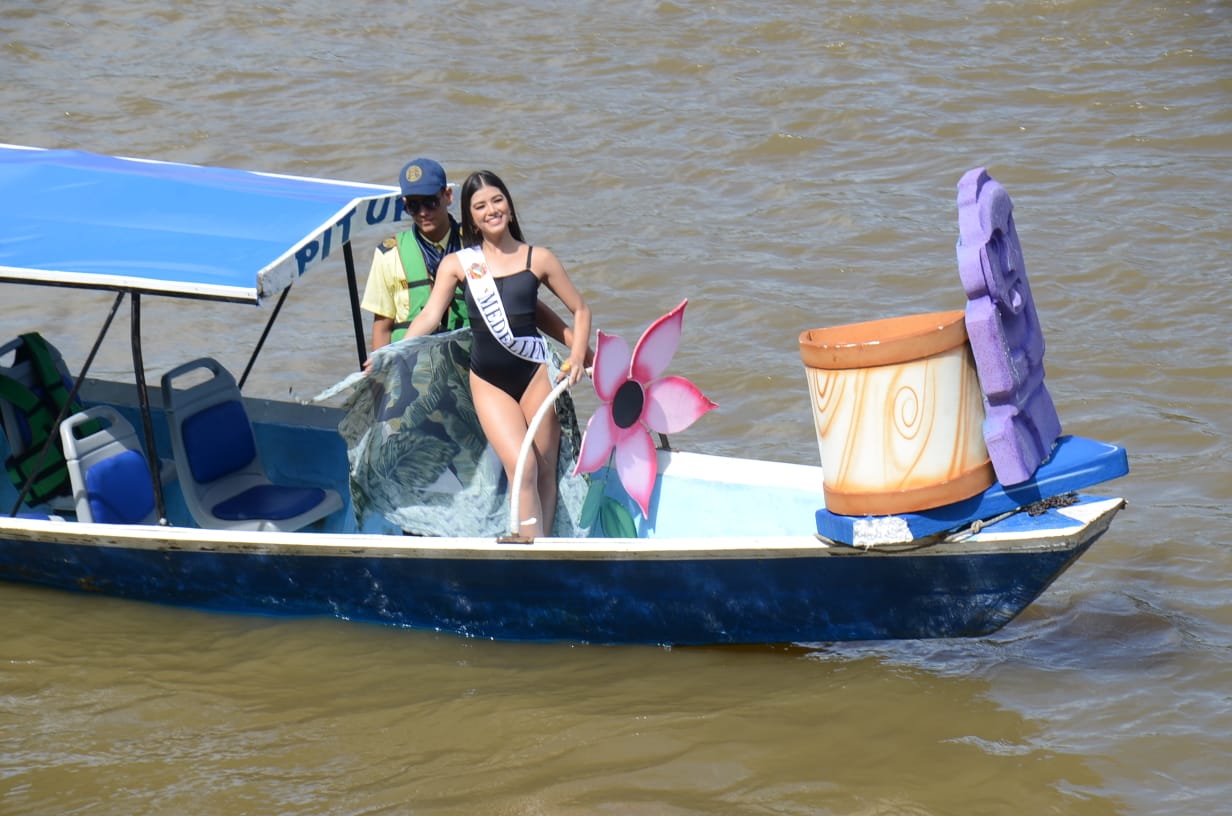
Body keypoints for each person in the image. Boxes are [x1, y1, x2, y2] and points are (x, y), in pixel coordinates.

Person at [403, 170, 591, 538]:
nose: (491, 210)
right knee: (522, 466)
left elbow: (580, 310)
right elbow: (429, 315)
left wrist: (579, 355)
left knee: (546, 467)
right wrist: (396, 352)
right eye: (480, 205)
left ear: (509, 205)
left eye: (497, 200)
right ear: (469, 216)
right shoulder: (459, 264)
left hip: (536, 375)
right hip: (489, 382)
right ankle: (525, 544)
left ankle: (542, 547)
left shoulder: (539, 259)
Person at [360, 158, 576, 363]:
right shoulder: (389, 254)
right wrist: (382, 378)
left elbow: (523, 303)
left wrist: (578, 347)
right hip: (414, 366)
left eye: (430, 202)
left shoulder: (481, 246)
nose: (423, 213)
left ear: (448, 196)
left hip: (469, 362)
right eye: (413, 206)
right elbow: (382, 327)